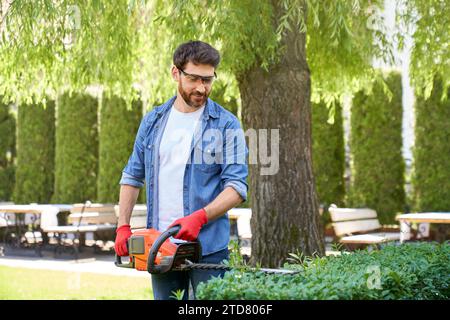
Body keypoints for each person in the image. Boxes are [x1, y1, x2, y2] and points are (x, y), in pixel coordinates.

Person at [114, 40, 249, 300]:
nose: (201, 87)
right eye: (194, 79)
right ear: (176, 73)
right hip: (160, 245)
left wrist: (200, 217)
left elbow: (236, 187)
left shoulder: (226, 124)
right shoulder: (153, 121)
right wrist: (123, 226)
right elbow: (132, 176)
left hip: (207, 247)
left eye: (208, 80)